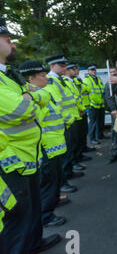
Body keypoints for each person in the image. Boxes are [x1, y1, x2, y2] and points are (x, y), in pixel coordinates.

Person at [0, 19, 61, 254]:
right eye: (7, 39)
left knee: (29, 213)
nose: (12, 44)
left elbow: (42, 97)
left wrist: (29, 96)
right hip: (10, 162)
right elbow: (20, 109)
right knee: (16, 222)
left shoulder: (9, 76)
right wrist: (29, 98)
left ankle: (34, 244)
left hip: (26, 157)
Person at [19, 61, 68, 228]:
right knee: (47, 183)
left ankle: (50, 206)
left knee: (53, 181)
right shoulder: (30, 96)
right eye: (42, 75)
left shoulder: (40, 92)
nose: (46, 77)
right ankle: (46, 216)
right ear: (31, 78)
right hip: (46, 148)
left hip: (53, 146)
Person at [44, 55, 81, 195]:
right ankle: (63, 182)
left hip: (68, 121)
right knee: (62, 157)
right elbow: (57, 104)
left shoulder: (59, 79)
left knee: (68, 151)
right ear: (52, 66)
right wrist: (68, 118)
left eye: (65, 65)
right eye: (61, 65)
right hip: (62, 123)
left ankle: (67, 175)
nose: (64, 68)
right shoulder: (51, 81)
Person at [83, 65, 105, 145]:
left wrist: (103, 99)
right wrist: (100, 101)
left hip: (101, 104)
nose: (94, 71)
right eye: (92, 70)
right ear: (88, 71)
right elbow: (91, 93)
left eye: (95, 70)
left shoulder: (98, 79)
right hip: (93, 105)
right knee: (93, 123)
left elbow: (102, 89)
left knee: (101, 121)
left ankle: (100, 135)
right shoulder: (86, 80)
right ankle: (92, 139)